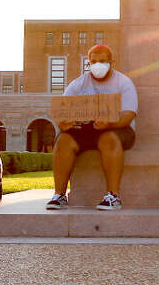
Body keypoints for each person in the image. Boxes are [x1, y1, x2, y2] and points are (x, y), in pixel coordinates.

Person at [46, 44, 137, 211]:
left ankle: (113, 196)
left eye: (102, 61)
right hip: (85, 129)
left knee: (108, 139)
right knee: (64, 139)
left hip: (117, 128)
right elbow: (62, 112)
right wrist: (63, 123)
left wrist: (110, 123)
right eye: (93, 61)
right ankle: (59, 195)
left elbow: (129, 115)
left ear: (111, 62)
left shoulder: (124, 82)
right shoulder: (78, 84)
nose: (97, 65)